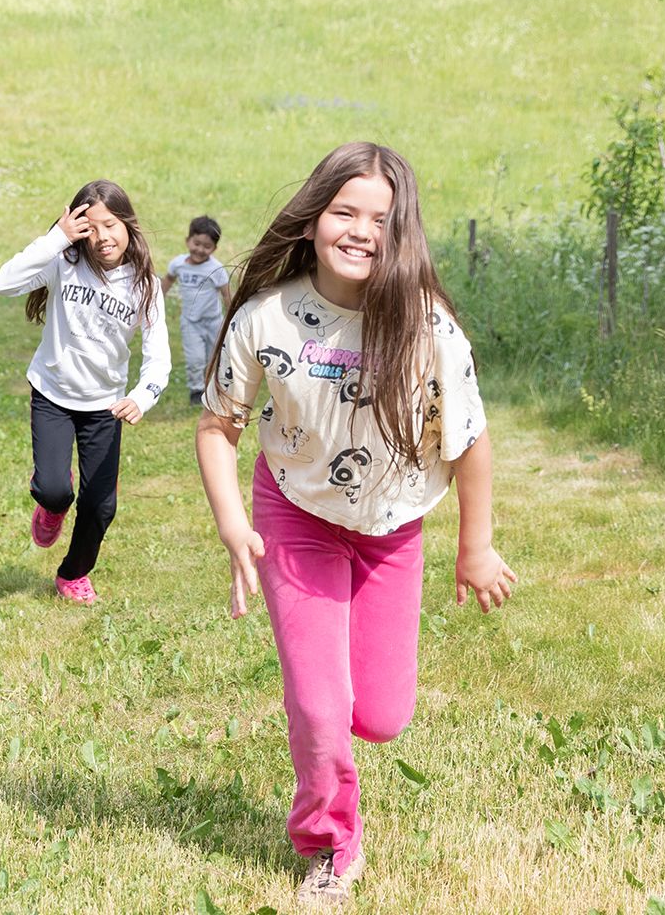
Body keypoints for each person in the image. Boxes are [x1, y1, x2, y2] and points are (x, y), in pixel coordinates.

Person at [194, 142, 516, 906]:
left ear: (402, 231)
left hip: (393, 528)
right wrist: (235, 525)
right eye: (345, 211)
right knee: (319, 705)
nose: (362, 230)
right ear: (313, 220)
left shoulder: (429, 326)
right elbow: (218, 426)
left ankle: (337, 750)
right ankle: (332, 843)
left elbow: (469, 442)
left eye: (381, 217)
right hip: (296, 516)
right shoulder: (267, 317)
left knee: (380, 715)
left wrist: (476, 549)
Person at [0, 180, 169, 604]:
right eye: (89, 226)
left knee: (100, 507)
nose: (102, 236)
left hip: (105, 408)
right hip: (53, 394)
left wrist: (141, 397)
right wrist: (57, 238)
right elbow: (4, 282)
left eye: (110, 225)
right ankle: (52, 506)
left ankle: (73, 573)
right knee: (55, 489)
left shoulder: (145, 285)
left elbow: (158, 357)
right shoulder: (63, 261)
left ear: (127, 224)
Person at [162, 215, 231, 407]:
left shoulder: (216, 269)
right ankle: (196, 390)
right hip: (190, 322)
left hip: (214, 322)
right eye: (196, 243)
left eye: (206, 246)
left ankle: (213, 389)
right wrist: (156, 302)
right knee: (195, 359)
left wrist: (231, 318)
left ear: (214, 249)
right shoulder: (178, 264)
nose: (200, 249)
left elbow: (226, 294)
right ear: (188, 240)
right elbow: (168, 280)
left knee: (213, 359)